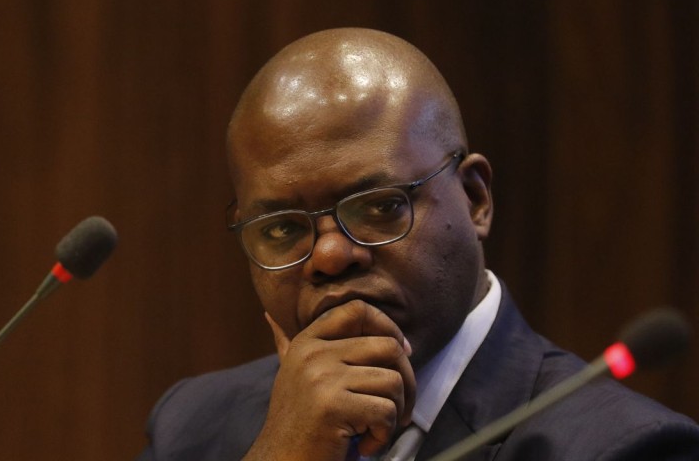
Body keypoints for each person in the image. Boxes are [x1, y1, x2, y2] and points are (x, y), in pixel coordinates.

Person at [136, 28, 699, 460]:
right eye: (282, 228)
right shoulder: (192, 427)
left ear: (475, 199)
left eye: (379, 206)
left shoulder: (621, 448)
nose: (330, 256)